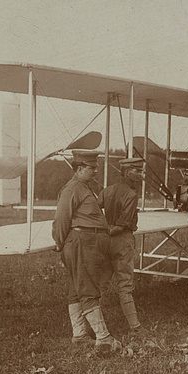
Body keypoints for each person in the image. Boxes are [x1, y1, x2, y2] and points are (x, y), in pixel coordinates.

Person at [52, 150, 121, 352]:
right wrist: (59, 242)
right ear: (80, 168)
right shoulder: (73, 188)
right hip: (81, 242)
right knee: (88, 287)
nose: (96, 170)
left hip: (86, 242)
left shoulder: (84, 187)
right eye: (92, 167)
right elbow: (61, 218)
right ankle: (104, 338)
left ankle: (80, 334)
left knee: (76, 289)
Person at [100, 157, 144, 332]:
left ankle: (94, 324)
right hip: (122, 240)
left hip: (106, 241)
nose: (141, 175)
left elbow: (95, 210)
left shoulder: (107, 190)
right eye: (138, 171)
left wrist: (104, 229)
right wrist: (112, 229)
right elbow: (124, 223)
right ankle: (135, 326)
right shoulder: (131, 195)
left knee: (101, 283)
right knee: (125, 284)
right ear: (127, 173)